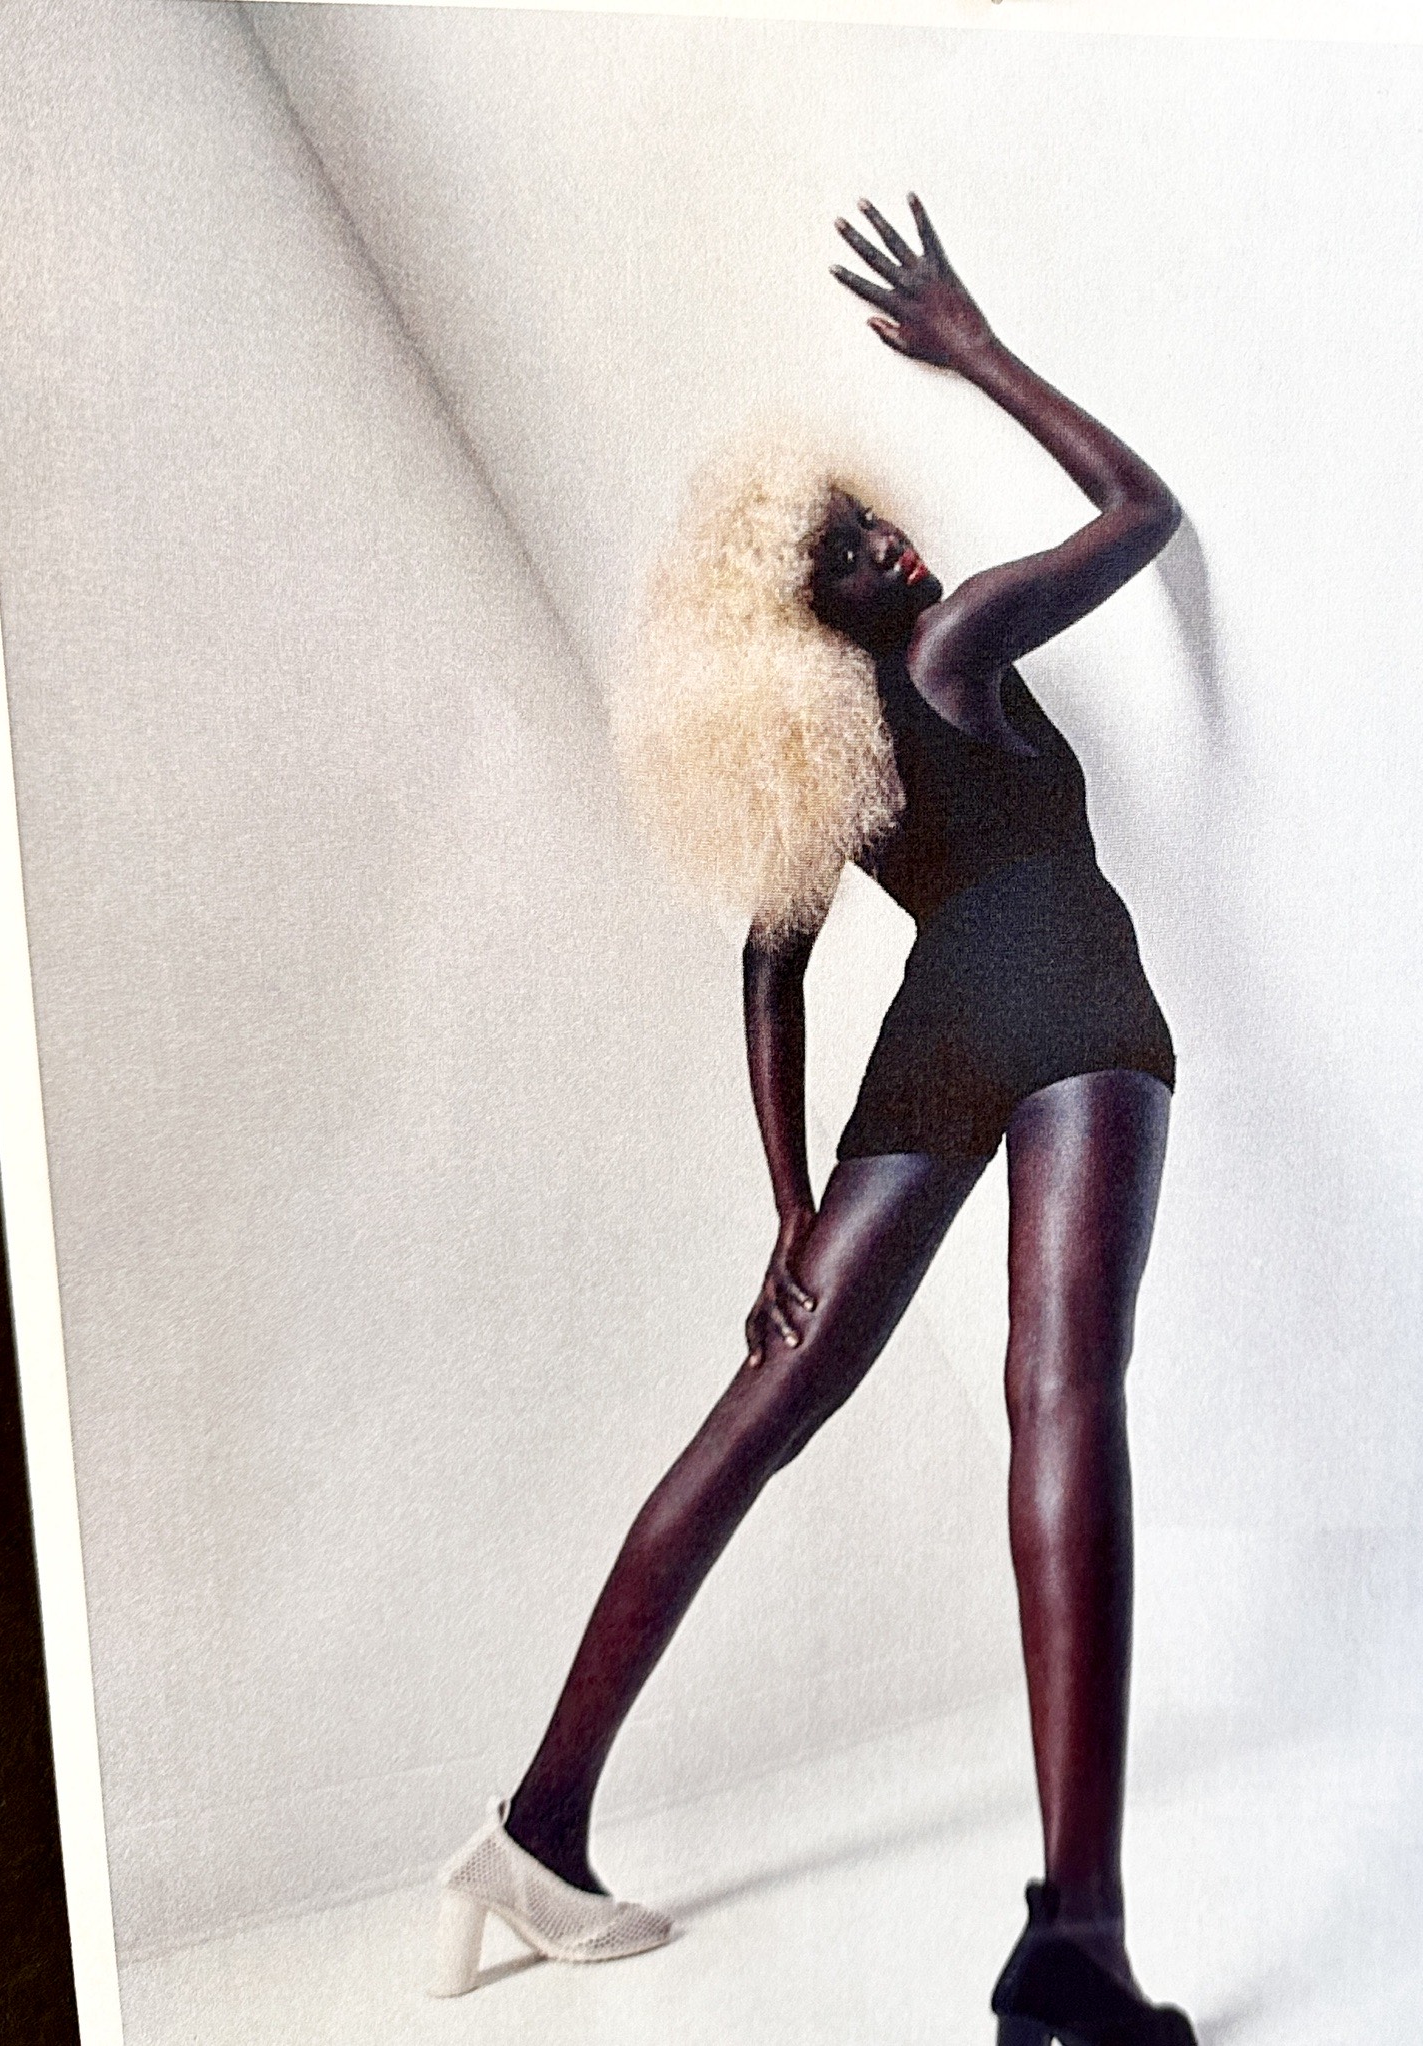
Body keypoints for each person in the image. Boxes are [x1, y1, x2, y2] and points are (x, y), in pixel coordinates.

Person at [429, 193, 1196, 2046]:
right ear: (814, 610)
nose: (888, 541)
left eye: (871, 516)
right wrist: (976, 349)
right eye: (844, 550)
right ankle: (1075, 1942)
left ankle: (534, 1829)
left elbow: (771, 974)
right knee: (1058, 1392)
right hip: (1074, 1005)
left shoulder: (827, 753)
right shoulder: (958, 644)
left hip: (930, 1050)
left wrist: (786, 1204)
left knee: (756, 1415)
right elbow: (1141, 510)